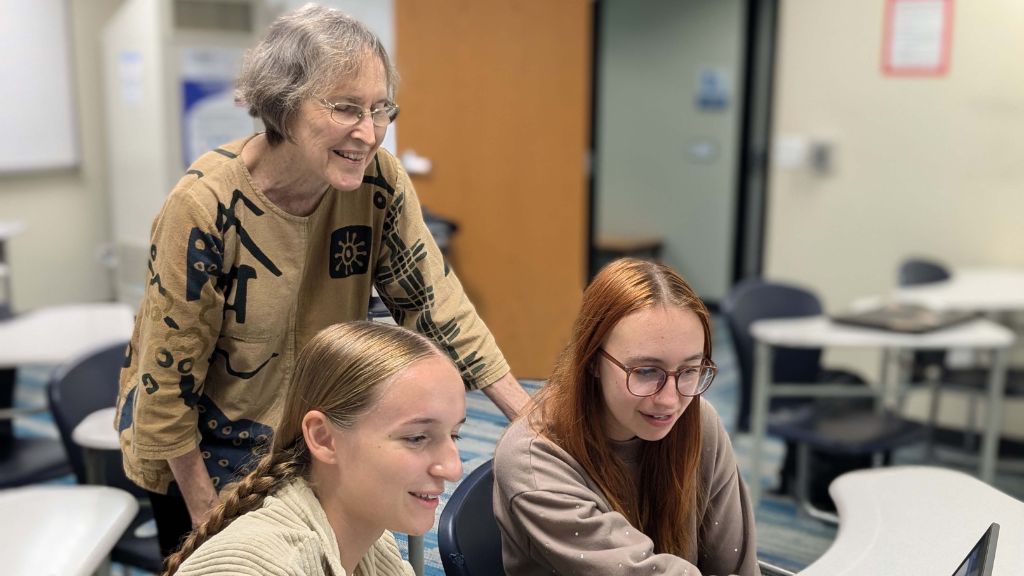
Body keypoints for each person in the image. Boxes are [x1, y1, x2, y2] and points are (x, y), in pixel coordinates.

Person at [114, 3, 529, 557]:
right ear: (283, 105)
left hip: (310, 434)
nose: (369, 132)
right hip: (201, 450)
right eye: (346, 108)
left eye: (381, 110)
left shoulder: (376, 181)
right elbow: (166, 387)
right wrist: (207, 520)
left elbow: (435, 302)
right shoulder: (204, 206)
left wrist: (530, 423)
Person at [493, 258, 759, 575]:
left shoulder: (698, 421)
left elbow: (734, 564)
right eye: (646, 371)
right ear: (591, 361)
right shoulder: (532, 460)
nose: (671, 400)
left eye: (690, 370)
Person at [161, 320, 466, 575]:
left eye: (454, 435)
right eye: (416, 438)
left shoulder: (371, 538)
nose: (453, 469)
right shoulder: (253, 568)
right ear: (323, 438)